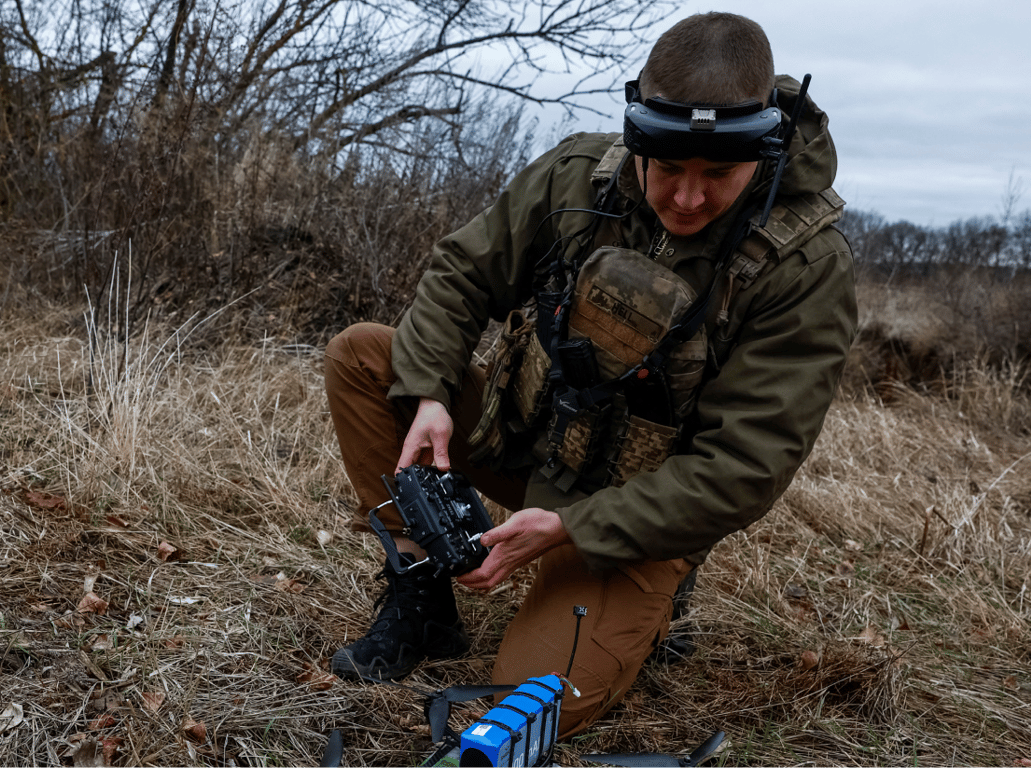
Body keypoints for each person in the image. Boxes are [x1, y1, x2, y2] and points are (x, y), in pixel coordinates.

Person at [322, 11, 857, 738]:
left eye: (720, 176)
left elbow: (743, 469)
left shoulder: (807, 266)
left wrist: (572, 528)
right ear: (638, 141)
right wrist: (430, 395)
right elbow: (462, 274)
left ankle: (654, 599)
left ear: (760, 154)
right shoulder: (580, 174)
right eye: (668, 169)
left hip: (636, 514)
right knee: (364, 356)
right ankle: (421, 596)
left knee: (530, 702)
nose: (689, 199)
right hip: (531, 440)